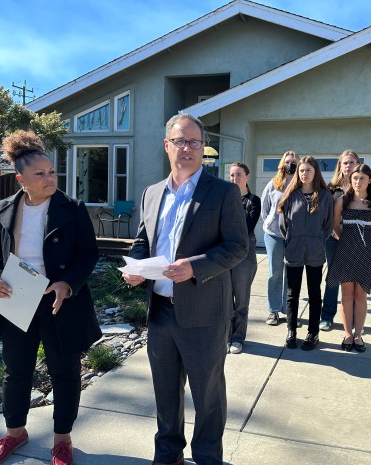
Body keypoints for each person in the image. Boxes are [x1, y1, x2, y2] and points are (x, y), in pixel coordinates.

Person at [122, 114, 247, 465]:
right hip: (160, 311)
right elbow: (143, 241)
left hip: (205, 313)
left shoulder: (222, 192)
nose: (188, 148)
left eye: (195, 142)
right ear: (167, 146)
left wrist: (195, 266)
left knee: (207, 395)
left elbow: (238, 247)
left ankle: (208, 457)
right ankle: (168, 454)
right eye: (181, 141)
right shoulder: (151, 193)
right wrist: (135, 268)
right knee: (165, 392)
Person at [0, 130, 101, 465]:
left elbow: (89, 254)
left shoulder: (72, 208)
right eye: (40, 174)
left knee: (65, 371)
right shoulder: (4, 208)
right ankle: (15, 432)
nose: (50, 178)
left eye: (52, 172)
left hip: (58, 299)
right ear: (21, 179)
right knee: (16, 371)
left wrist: (67, 284)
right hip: (17, 297)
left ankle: (62, 440)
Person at [326, 164, 371, 353]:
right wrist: (345, 242)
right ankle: (347, 334)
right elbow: (335, 227)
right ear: (350, 180)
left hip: (366, 254)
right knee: (346, 295)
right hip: (345, 253)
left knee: (361, 295)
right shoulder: (342, 201)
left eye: (362, 178)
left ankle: (358, 334)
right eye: (355, 178)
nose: (358, 182)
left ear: (370, 180)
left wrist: (366, 244)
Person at [277, 156, 333, 350]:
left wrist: (316, 240)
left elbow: (327, 225)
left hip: (315, 253)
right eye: (301, 170)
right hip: (293, 251)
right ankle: (291, 331)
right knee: (292, 294)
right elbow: (283, 224)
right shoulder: (291, 195)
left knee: (314, 293)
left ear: (315, 172)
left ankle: (313, 333)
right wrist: (292, 239)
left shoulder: (325, 196)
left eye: (308, 170)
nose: (304, 173)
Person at [319, 150, 360, 331]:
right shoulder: (331, 188)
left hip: (355, 240)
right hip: (333, 238)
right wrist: (332, 231)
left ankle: (351, 318)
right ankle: (327, 316)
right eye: (345, 163)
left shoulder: (362, 187)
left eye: (351, 162)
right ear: (340, 166)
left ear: (357, 164)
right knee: (333, 277)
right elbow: (325, 213)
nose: (348, 166)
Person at [261, 150, 299, 326]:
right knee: (275, 274)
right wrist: (271, 223)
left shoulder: (301, 185)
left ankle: (289, 310)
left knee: (292, 275)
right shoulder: (273, 184)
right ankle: (273, 310)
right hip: (274, 235)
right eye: (287, 161)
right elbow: (265, 209)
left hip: (295, 236)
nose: (290, 164)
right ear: (282, 164)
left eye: (293, 162)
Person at [228, 162, 261, 354]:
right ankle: (226, 336)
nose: (234, 179)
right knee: (225, 300)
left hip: (244, 255)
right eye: (232, 175)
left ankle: (238, 337)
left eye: (238, 175)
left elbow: (246, 228)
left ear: (247, 177)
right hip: (224, 254)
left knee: (241, 300)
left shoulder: (253, 201)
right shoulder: (224, 199)